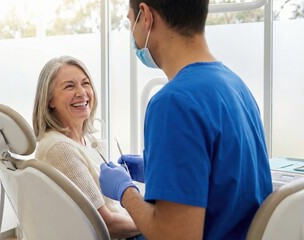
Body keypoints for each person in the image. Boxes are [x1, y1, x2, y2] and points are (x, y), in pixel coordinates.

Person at [98, 1, 273, 239]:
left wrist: (125, 191)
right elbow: (224, 180)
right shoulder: (235, 86)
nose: (132, 32)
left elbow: (174, 235)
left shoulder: (173, 102)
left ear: (147, 16)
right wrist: (156, 170)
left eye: (131, 21)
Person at [32, 55, 142, 239]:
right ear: (50, 100)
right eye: (69, 86)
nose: (82, 92)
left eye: (85, 83)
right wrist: (155, 224)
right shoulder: (60, 148)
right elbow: (105, 224)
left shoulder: (87, 141)